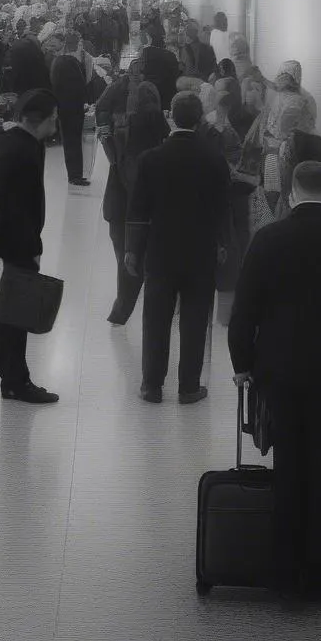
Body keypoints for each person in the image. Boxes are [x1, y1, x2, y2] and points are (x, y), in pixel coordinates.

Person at [229, 161, 321, 601]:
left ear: (292, 190)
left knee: (289, 463)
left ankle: (284, 568)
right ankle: (320, 573)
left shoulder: (268, 238)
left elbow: (245, 310)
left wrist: (242, 364)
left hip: (278, 369)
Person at [125, 91, 231, 404]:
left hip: (160, 251)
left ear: (172, 116)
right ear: (200, 120)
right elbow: (222, 207)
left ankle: (152, 385)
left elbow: (138, 210)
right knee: (196, 319)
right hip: (201, 251)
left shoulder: (152, 159)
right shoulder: (214, 159)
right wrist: (223, 243)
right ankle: (188, 387)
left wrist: (132, 249)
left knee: (156, 318)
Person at [0, 88, 60, 403]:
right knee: (17, 310)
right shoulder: (28, 151)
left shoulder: (5, 141)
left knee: (10, 306)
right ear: (39, 121)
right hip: (20, 238)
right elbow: (24, 206)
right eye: (53, 120)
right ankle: (16, 381)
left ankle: (12, 377)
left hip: (6, 234)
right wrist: (33, 245)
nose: (56, 125)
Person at [103, 80, 169, 325]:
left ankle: (121, 312)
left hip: (120, 208)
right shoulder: (163, 135)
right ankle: (158, 312)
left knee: (125, 261)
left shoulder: (122, 129)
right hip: (150, 212)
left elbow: (121, 168)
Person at [51, 31, 90, 187]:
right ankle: (75, 176)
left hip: (65, 106)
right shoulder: (69, 62)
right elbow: (81, 84)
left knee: (71, 141)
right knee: (73, 141)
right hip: (72, 108)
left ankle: (75, 174)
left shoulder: (58, 61)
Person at [140, 28, 180, 111]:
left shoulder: (144, 54)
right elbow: (176, 75)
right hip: (168, 96)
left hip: (150, 96)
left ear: (151, 39)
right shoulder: (170, 55)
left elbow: (140, 75)